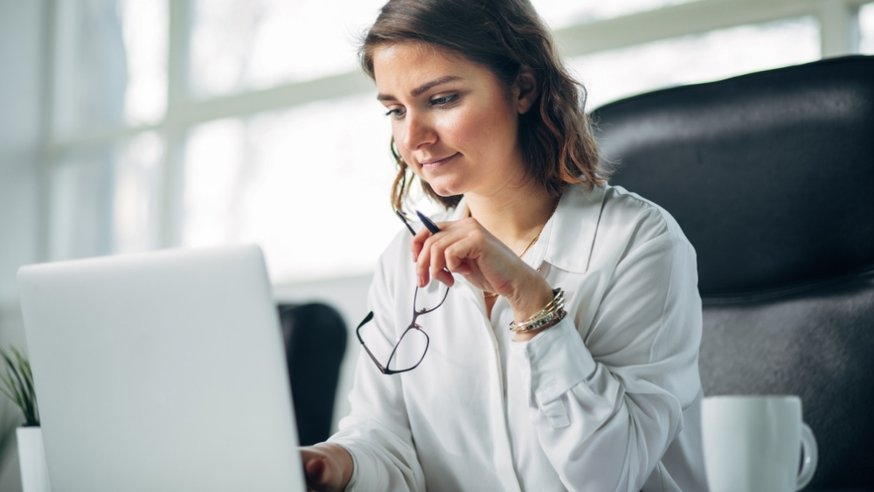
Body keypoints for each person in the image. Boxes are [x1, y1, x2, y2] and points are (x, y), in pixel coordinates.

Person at [300, 0, 708, 490]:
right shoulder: (402, 262)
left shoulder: (637, 242)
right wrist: (336, 464)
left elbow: (611, 473)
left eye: (442, 99)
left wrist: (529, 297)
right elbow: (387, 440)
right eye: (394, 110)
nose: (413, 138)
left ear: (522, 88)